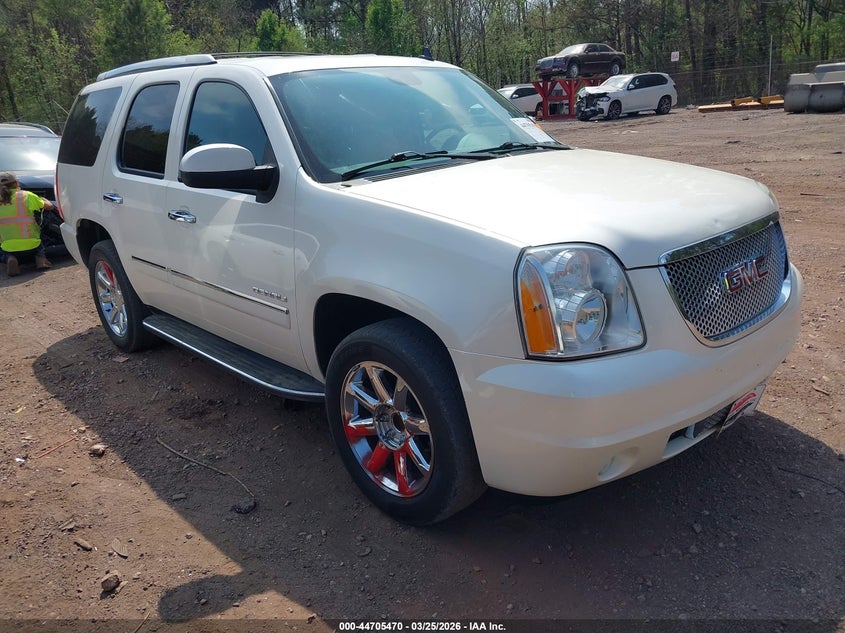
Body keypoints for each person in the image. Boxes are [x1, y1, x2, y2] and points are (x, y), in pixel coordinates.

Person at [0, 171, 53, 276]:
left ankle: (10, 258)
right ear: (16, 183)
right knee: (38, 242)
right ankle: (40, 258)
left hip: (8, 247)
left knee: (3, 251)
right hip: (32, 244)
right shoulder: (27, 195)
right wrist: (43, 199)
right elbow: (50, 207)